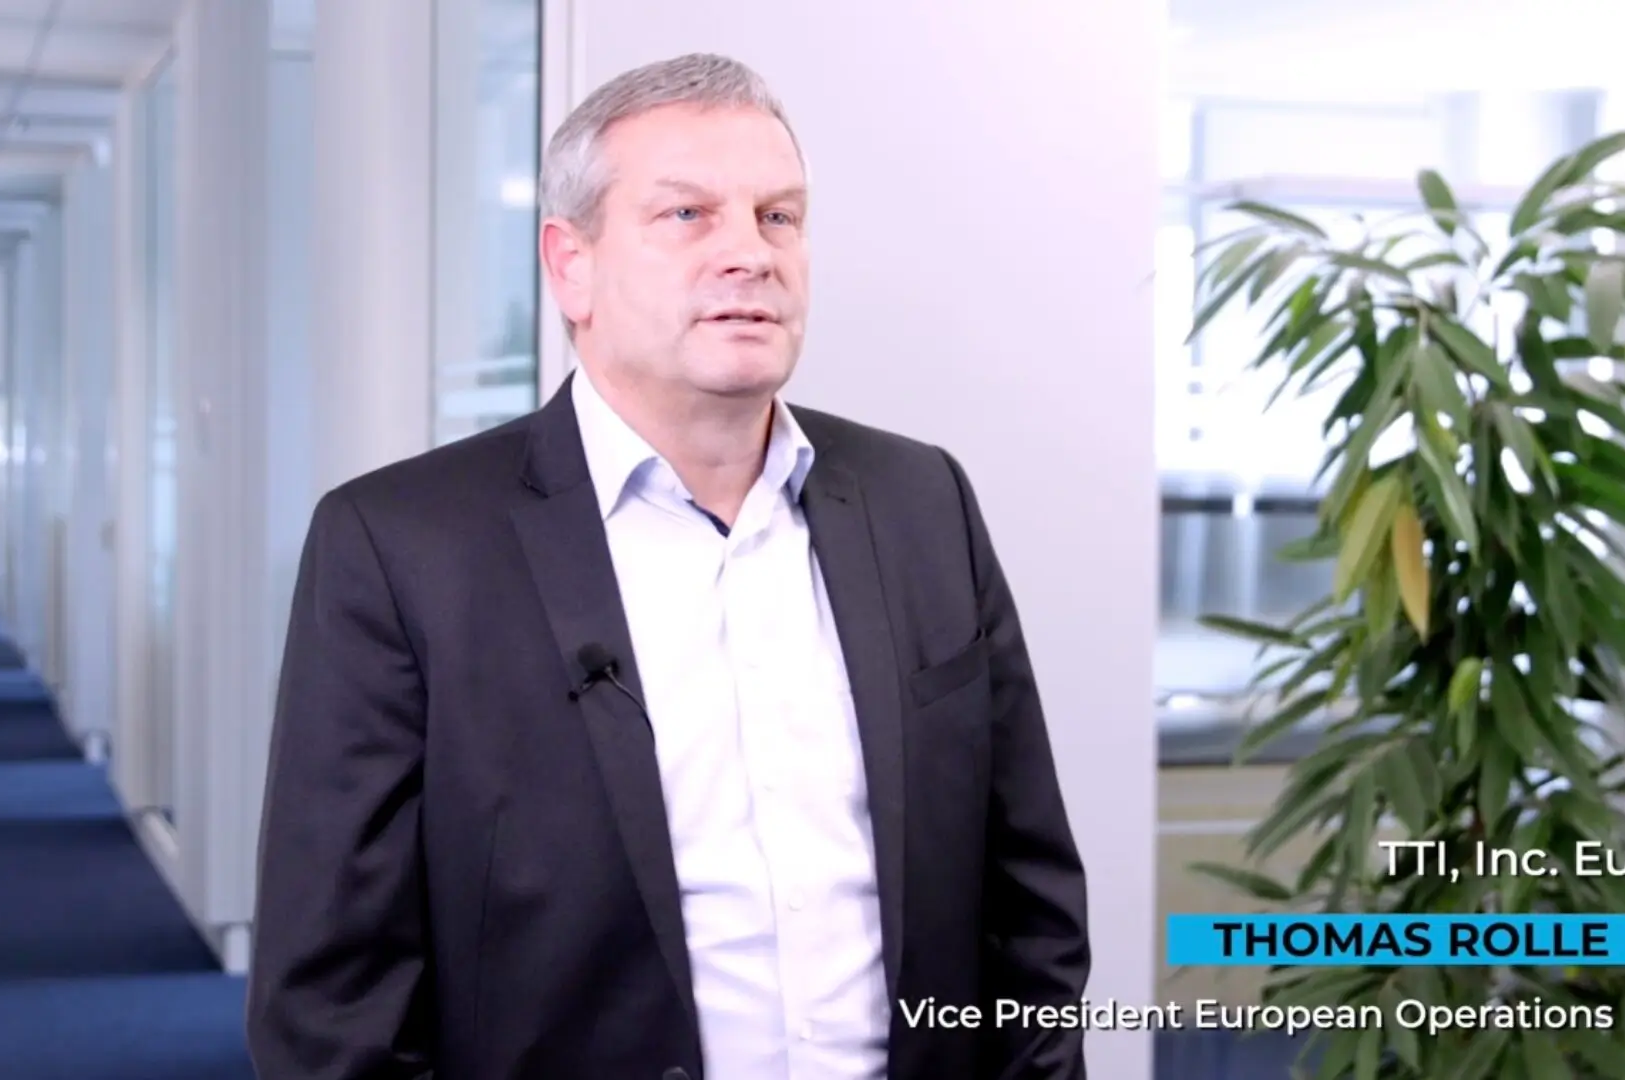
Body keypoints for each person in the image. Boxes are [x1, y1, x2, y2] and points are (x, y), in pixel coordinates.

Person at [246, 52, 1090, 1080]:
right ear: (572, 266)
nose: (750, 254)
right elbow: (334, 1001)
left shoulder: (923, 502)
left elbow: (1028, 905)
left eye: (778, 216)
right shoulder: (400, 547)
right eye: (687, 215)